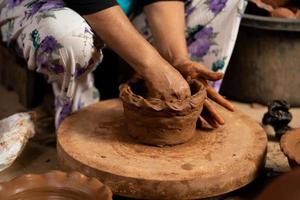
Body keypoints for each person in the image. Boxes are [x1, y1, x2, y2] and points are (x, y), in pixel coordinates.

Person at [0, 0, 245, 128]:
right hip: (47, 8)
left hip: (125, 9)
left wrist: (176, 59)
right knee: (70, 37)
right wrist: (154, 66)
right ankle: (76, 126)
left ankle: (186, 113)